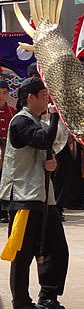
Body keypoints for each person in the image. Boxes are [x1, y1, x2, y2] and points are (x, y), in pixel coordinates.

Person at [0, 77, 69, 309]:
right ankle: (20, 301)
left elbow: (49, 147)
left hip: (42, 196)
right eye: (43, 95)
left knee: (56, 248)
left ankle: (48, 296)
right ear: (30, 97)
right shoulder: (20, 121)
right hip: (22, 196)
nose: (46, 100)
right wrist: (56, 117)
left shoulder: (38, 122)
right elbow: (43, 140)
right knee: (22, 252)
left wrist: (51, 163)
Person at [0, 80, 17, 223]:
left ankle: (4, 211)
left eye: (4, 93)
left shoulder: (13, 112)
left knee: (6, 182)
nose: (1, 96)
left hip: (7, 153)